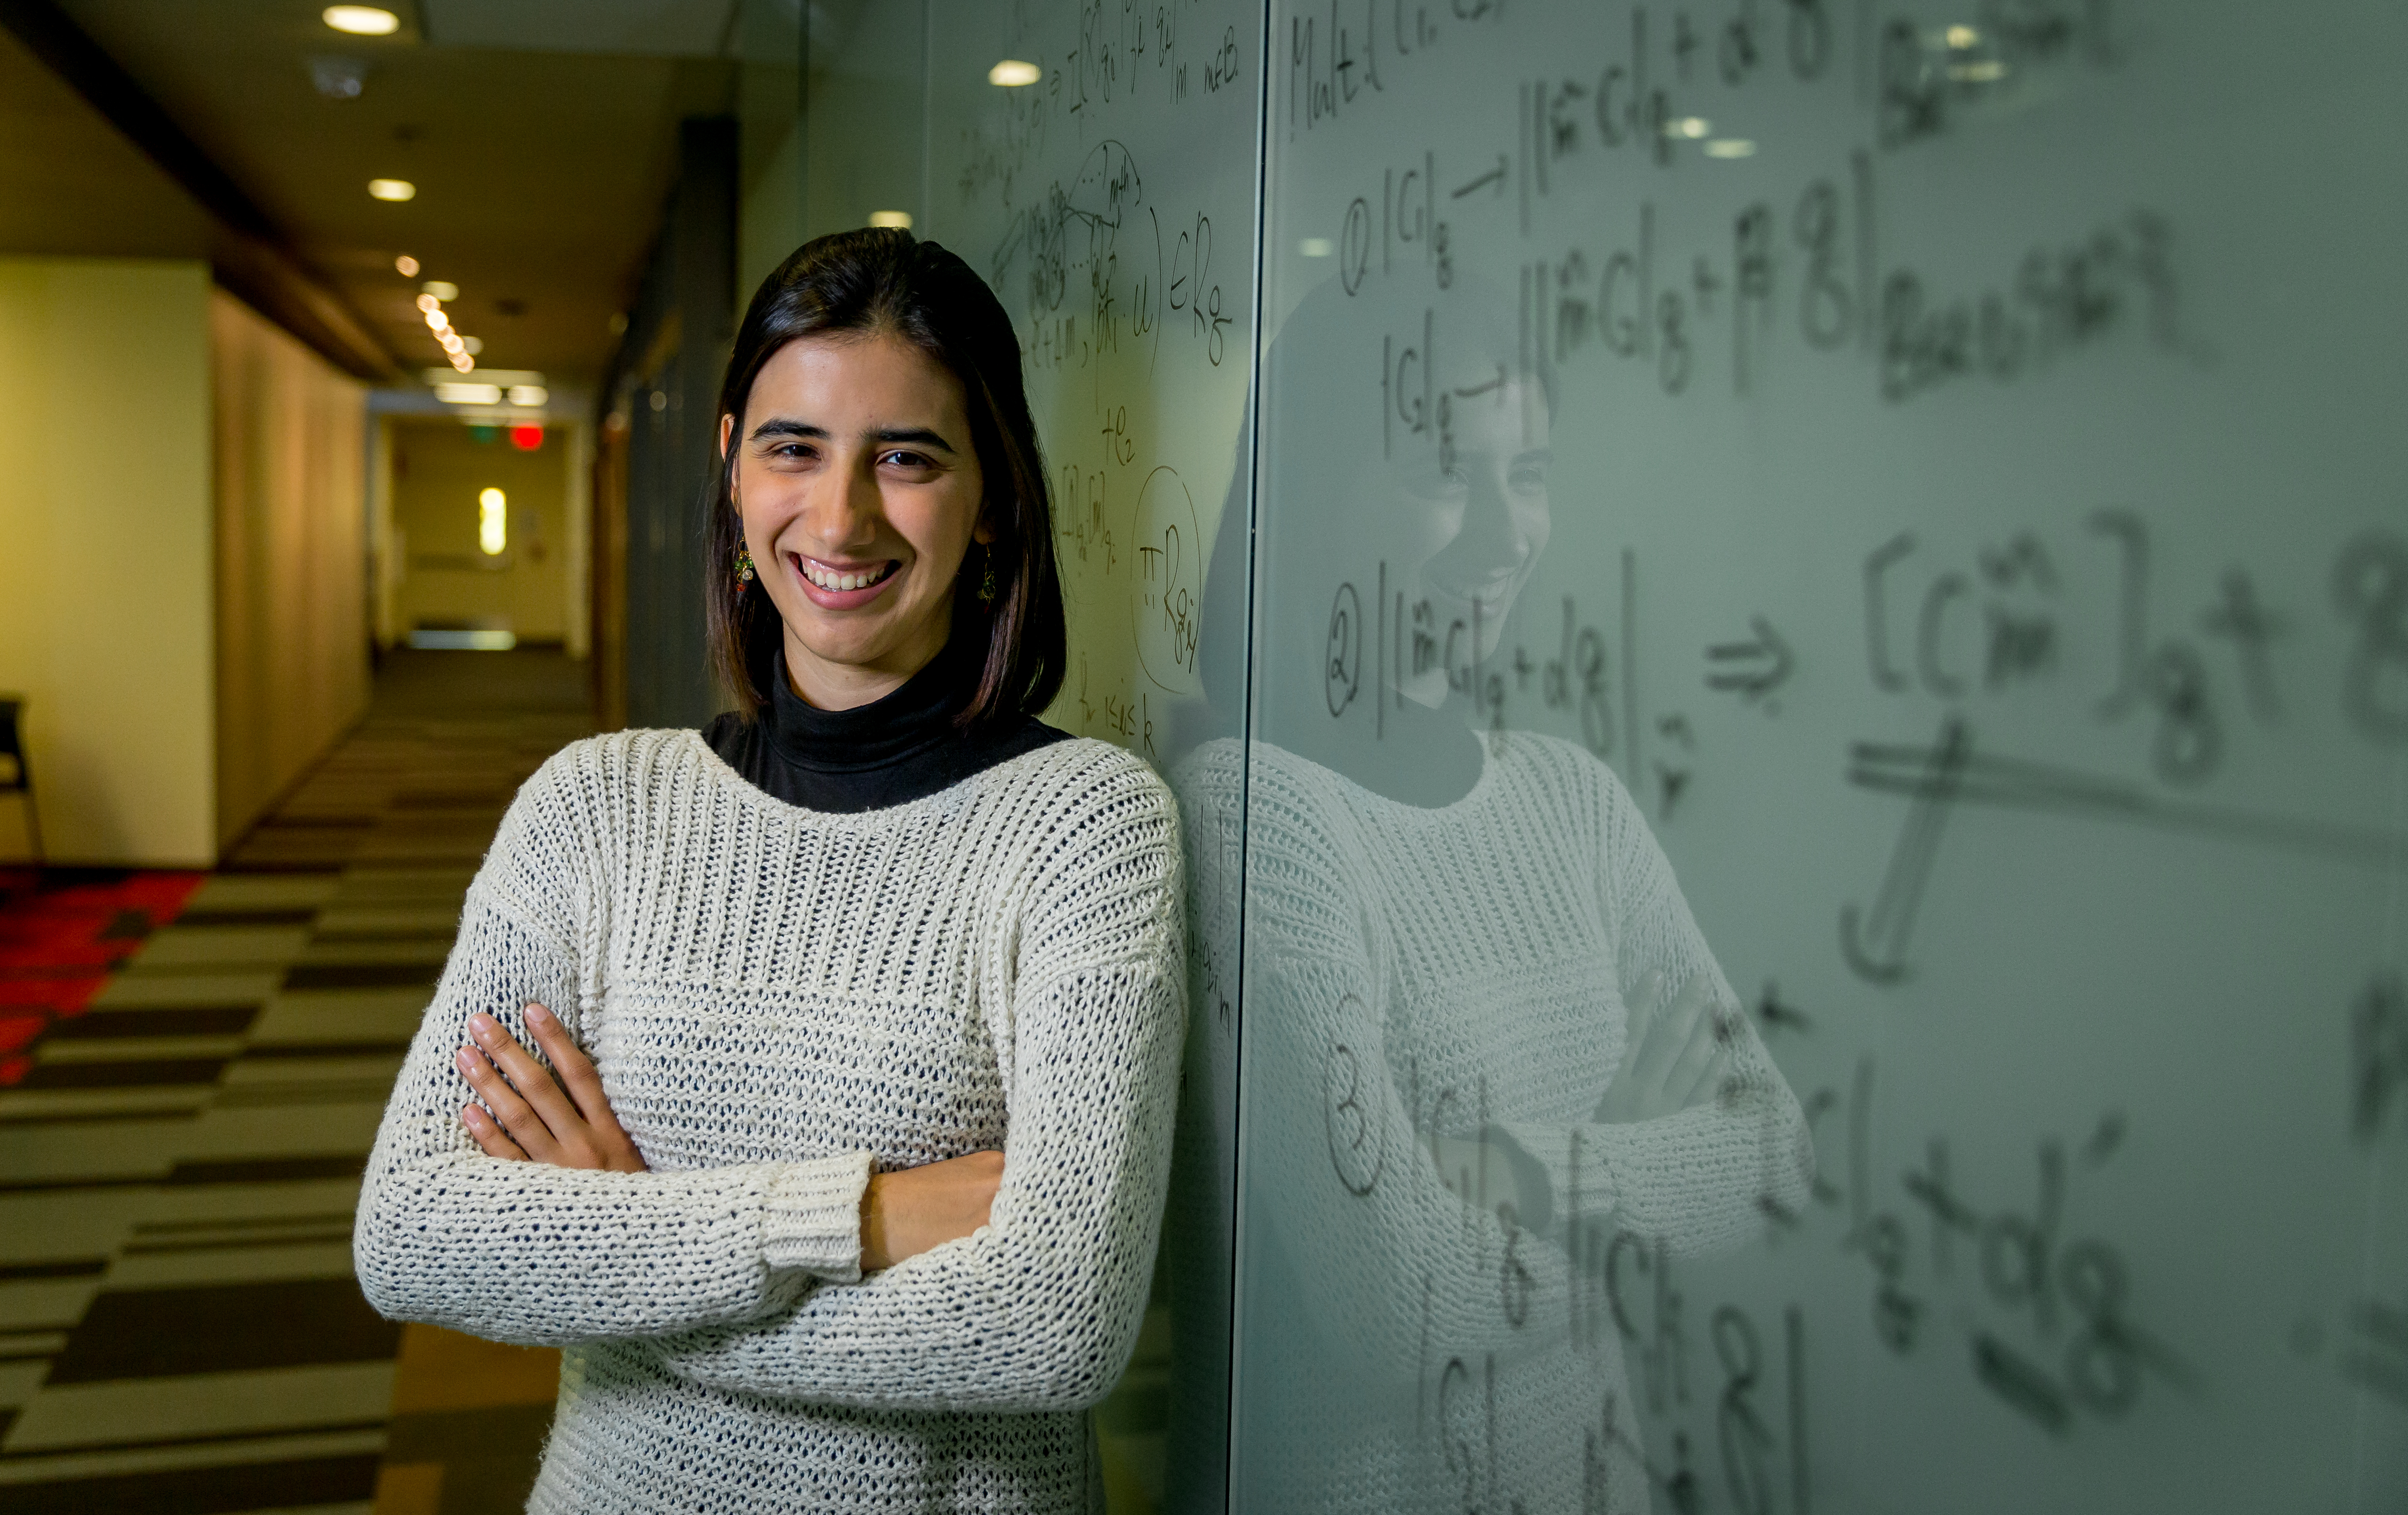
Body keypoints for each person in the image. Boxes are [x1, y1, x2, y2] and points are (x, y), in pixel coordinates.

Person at [353, 228, 1187, 1514]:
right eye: (794, 448)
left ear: (994, 499)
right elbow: (415, 1231)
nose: (841, 517)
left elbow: (1055, 1321)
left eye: (907, 457)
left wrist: (626, 1248)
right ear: (734, 463)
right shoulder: (594, 808)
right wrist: (856, 1218)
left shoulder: (1085, 826)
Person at [1176, 282, 1813, 1513]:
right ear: (1315, 491)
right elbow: (1398, 1299)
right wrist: (1637, 1163)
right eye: (1442, 475)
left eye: (1528, 473)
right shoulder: (1255, 815)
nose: (1506, 531)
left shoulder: (1570, 798)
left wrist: (1532, 1177)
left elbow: (1776, 1153)